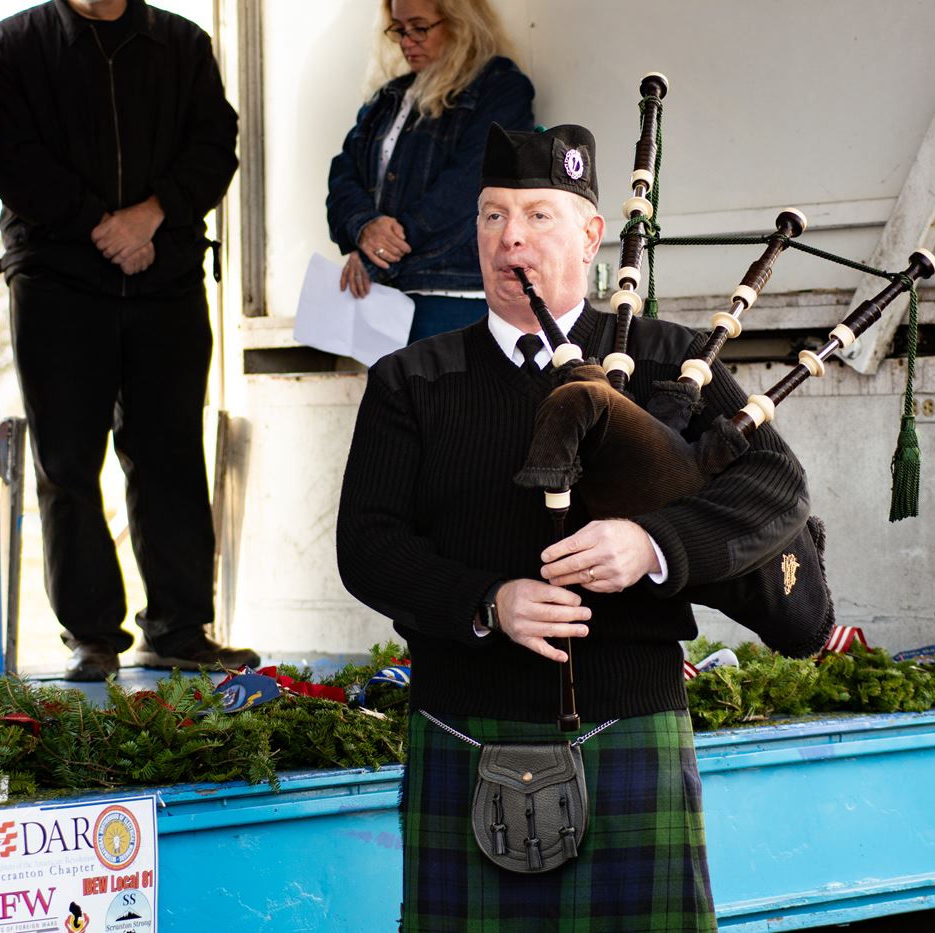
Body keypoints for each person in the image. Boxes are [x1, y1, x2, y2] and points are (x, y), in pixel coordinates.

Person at [336, 123, 811, 929]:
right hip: (463, 720)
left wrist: (654, 544)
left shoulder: (670, 362)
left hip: (629, 718)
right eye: (490, 216)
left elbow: (776, 483)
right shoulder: (411, 379)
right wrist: (486, 600)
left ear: (592, 234)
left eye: (536, 216)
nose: (509, 237)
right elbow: (368, 546)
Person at [0, 0, 260, 681]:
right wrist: (99, 225)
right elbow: (10, 154)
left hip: (164, 274)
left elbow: (214, 144)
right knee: (66, 462)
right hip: (55, 278)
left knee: (170, 453)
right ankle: (91, 636)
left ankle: (178, 630)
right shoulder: (11, 45)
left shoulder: (184, 43)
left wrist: (148, 216)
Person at [326, 0, 535, 344]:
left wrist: (378, 253)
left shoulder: (499, 85)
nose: (407, 41)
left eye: (420, 28)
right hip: (385, 297)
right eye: (399, 29)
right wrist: (364, 228)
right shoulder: (389, 96)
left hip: (453, 297)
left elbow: (467, 187)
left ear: (460, 24)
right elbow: (342, 173)